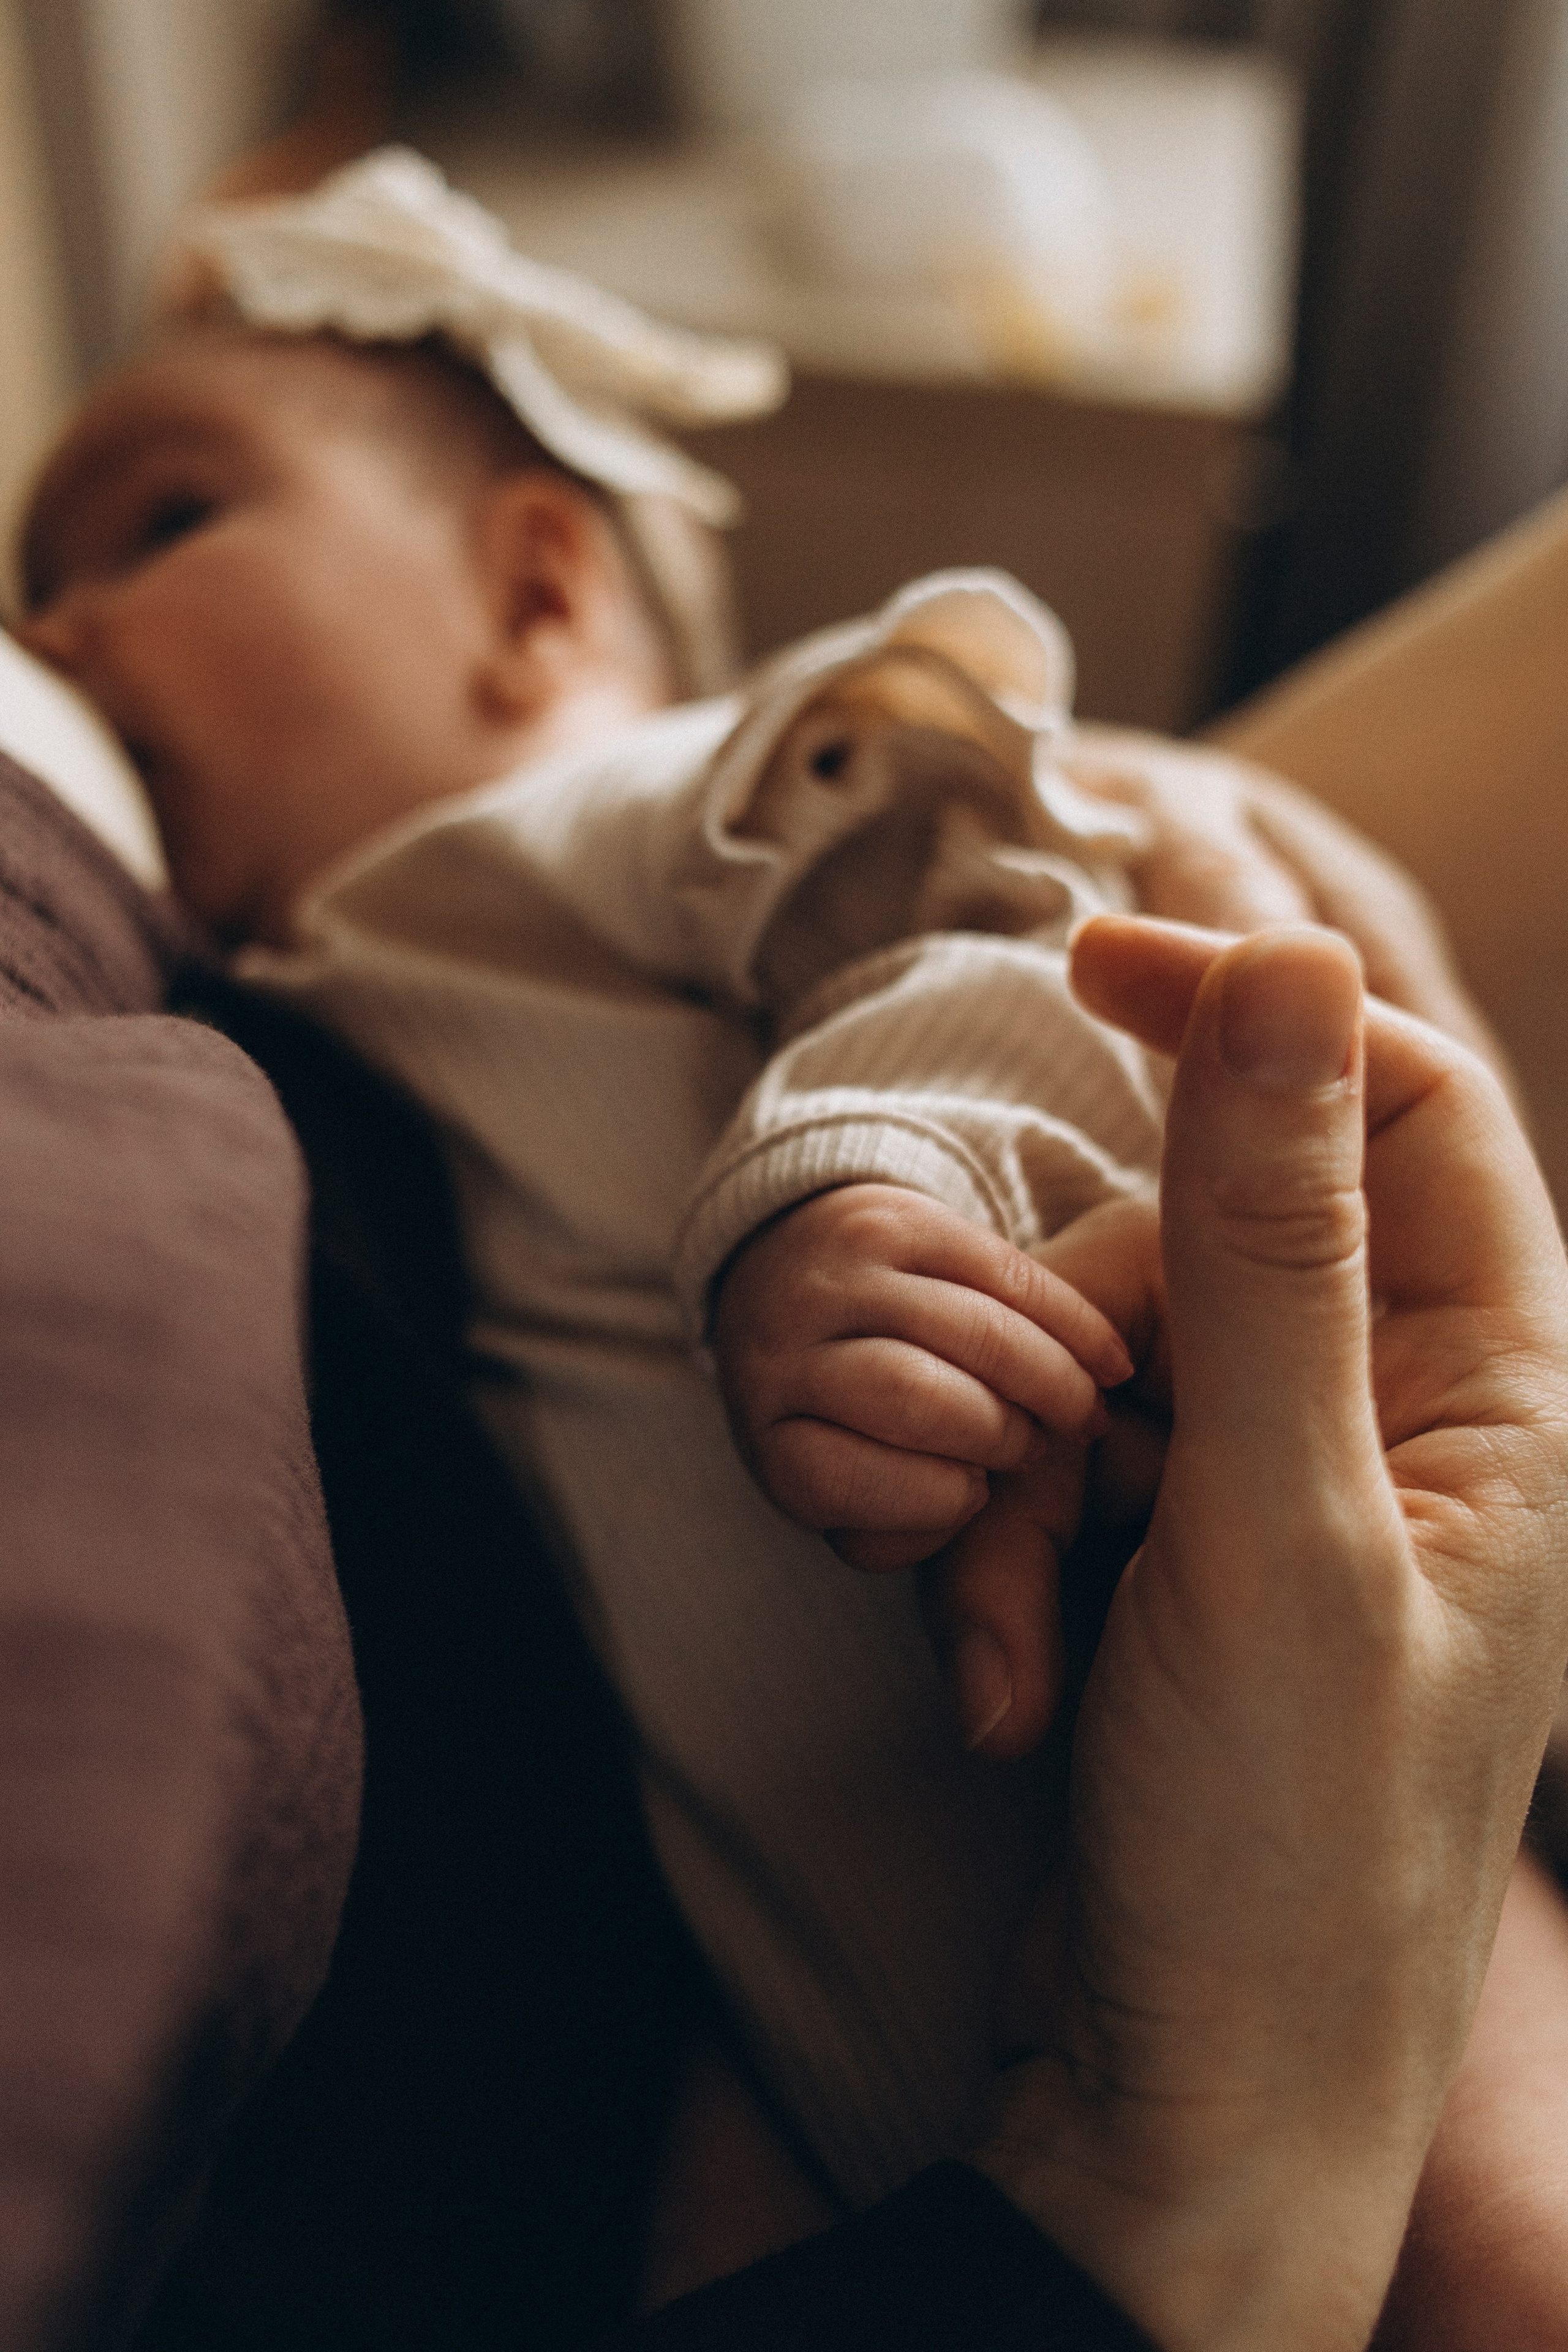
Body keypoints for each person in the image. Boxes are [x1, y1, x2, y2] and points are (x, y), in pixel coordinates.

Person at [17, 151, 1568, 2340]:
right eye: (34, 584)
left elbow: (991, 941)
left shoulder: (664, 804)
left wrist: (864, 1184)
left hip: (1220, 1718)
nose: (55, 632)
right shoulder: (290, 1015)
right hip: (778, 1989)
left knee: (1512, 2261)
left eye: (161, 526)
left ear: (540, 590)